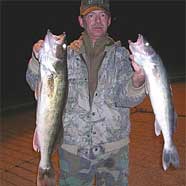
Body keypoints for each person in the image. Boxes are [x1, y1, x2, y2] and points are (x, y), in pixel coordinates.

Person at [26, 0, 146, 185]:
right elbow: (34, 82)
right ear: (81, 21)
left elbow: (127, 99)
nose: (97, 20)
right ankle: (45, 166)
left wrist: (137, 82)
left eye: (102, 15)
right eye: (91, 16)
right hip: (73, 151)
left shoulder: (123, 57)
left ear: (109, 21)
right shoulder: (64, 56)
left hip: (113, 150)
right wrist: (36, 58)